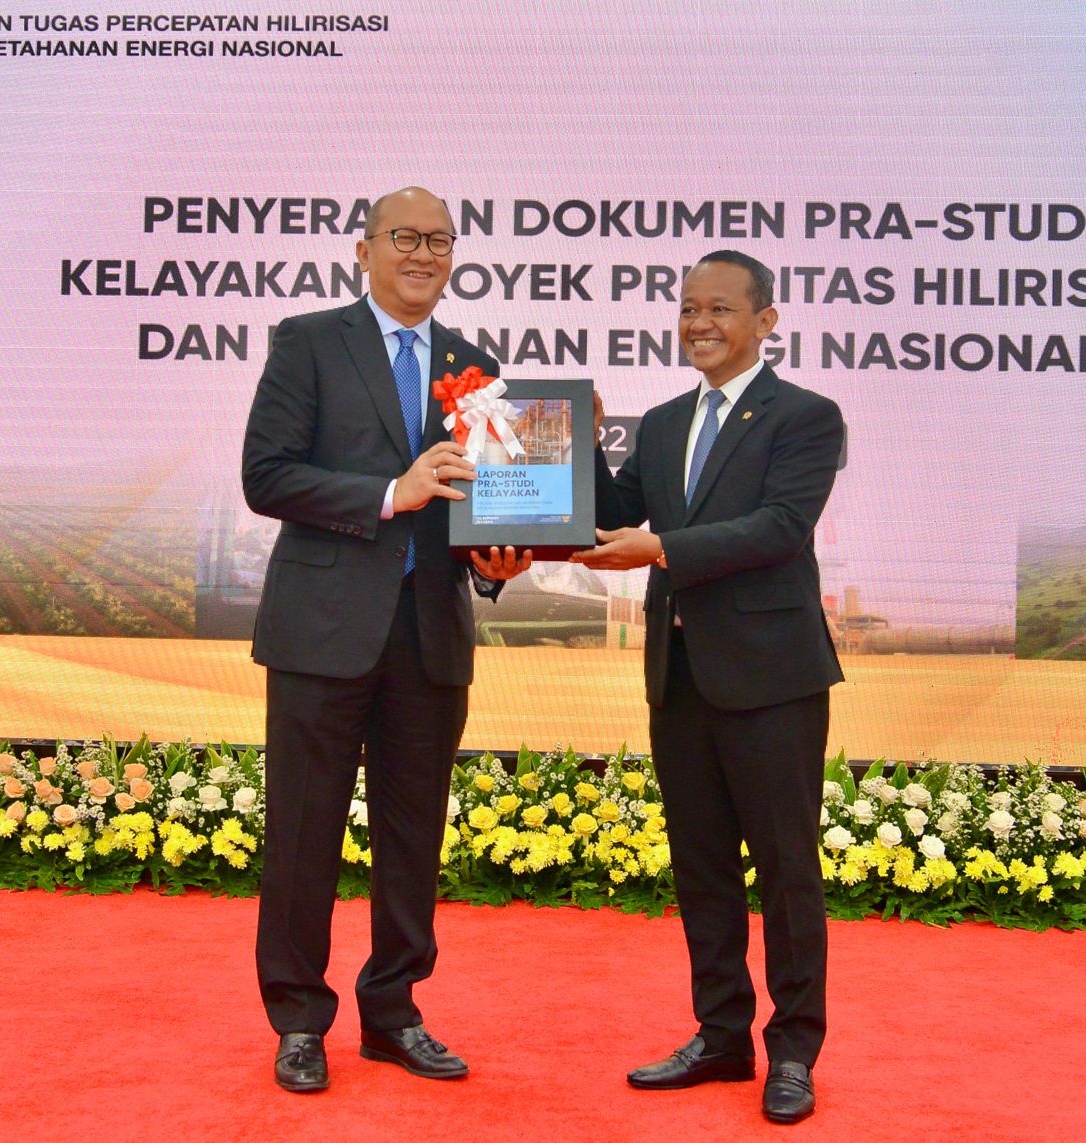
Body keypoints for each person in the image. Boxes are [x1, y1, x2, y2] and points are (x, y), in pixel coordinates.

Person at [241, 186, 530, 1093]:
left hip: (429, 631)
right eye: (404, 236)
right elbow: (266, 475)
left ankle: (394, 1010)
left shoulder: (474, 365)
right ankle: (299, 1018)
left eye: (439, 241)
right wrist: (387, 494)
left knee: (413, 835)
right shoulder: (307, 341)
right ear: (362, 251)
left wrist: (498, 559)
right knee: (304, 832)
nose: (422, 254)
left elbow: (483, 502)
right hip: (322, 629)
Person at [572, 250, 844, 1125]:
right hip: (681, 676)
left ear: (766, 321)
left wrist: (661, 550)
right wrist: (579, 439)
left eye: (720, 308)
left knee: (787, 871)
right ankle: (722, 1033)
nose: (699, 323)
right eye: (689, 307)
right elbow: (612, 515)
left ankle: (793, 1049)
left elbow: (779, 527)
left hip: (773, 679)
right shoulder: (660, 423)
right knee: (702, 868)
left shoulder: (806, 416)